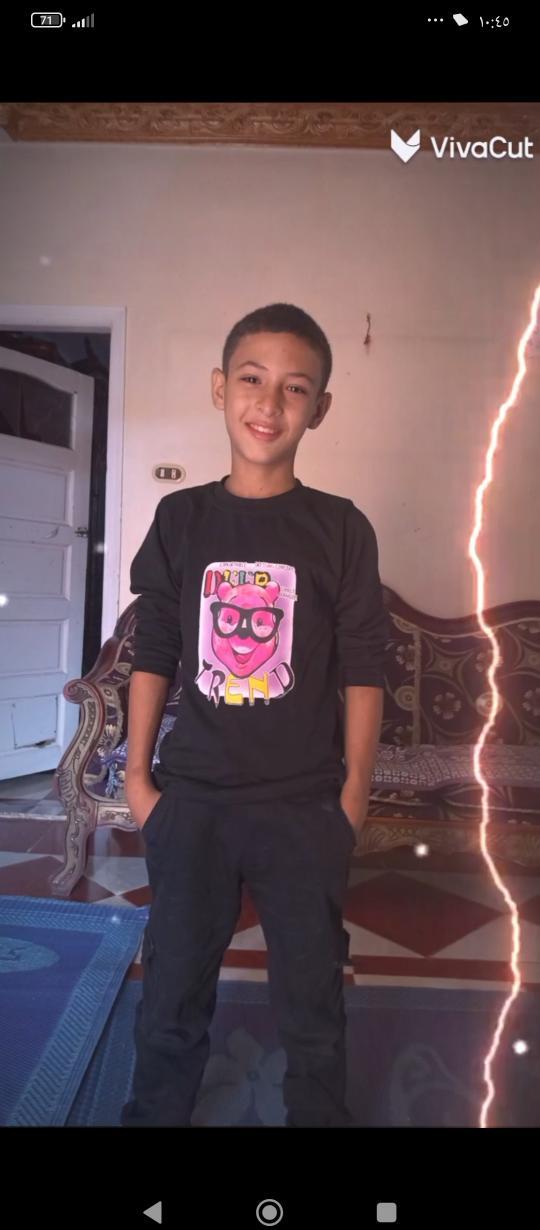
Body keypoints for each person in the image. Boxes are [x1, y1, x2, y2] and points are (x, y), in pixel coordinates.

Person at [121, 302, 388, 1127]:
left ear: (320, 408)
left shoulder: (340, 528)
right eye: (251, 378)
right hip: (193, 800)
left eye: (294, 388)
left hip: (304, 806)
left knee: (313, 1004)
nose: (269, 403)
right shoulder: (181, 519)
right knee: (170, 996)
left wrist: (352, 798)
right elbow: (156, 647)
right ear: (219, 388)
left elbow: (365, 665)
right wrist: (137, 779)